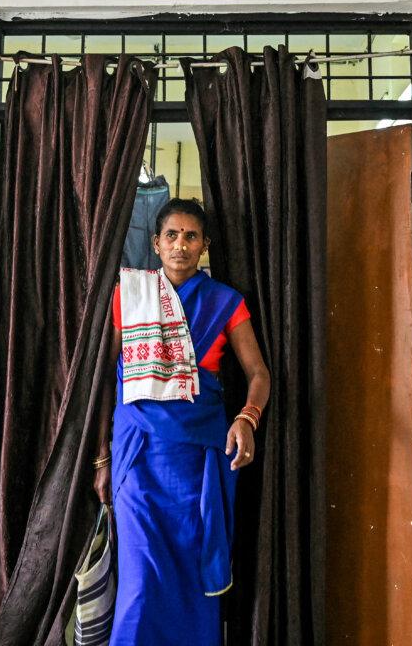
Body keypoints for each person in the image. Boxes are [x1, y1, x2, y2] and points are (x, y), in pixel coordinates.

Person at [92, 198, 270, 645]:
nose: (181, 244)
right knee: (140, 581)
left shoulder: (225, 303)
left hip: (195, 464)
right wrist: (100, 458)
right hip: (137, 456)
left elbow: (259, 374)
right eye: (172, 235)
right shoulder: (128, 297)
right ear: (155, 244)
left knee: (190, 575)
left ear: (205, 245)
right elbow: (103, 381)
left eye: (191, 236)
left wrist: (247, 419)